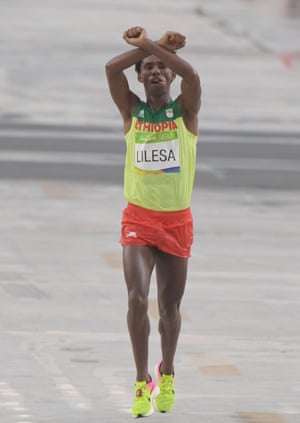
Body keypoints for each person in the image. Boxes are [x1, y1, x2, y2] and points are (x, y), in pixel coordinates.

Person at [105, 26, 201, 418]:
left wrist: (152, 46)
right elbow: (112, 69)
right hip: (138, 219)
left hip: (176, 222)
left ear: (171, 77)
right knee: (136, 298)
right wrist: (152, 47)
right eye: (148, 69)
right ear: (140, 78)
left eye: (163, 68)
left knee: (170, 309)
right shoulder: (131, 111)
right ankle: (142, 381)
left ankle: (169, 371)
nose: (157, 72)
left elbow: (193, 77)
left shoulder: (185, 113)